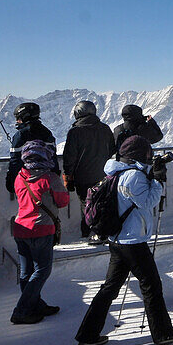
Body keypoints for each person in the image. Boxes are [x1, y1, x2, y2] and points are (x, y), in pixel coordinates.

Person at [74, 136, 173, 345]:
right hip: (132, 241)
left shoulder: (117, 171)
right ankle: (163, 333)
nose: (150, 156)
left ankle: (87, 334)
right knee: (151, 285)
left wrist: (149, 174)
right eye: (147, 153)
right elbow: (148, 201)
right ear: (139, 154)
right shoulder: (133, 176)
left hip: (118, 240)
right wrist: (156, 180)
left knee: (109, 288)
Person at [11, 140, 70, 324]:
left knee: (26, 271)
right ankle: (22, 310)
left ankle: (36, 304)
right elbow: (63, 202)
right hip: (41, 228)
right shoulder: (50, 178)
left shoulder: (20, 176)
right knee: (42, 270)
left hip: (21, 228)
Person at [62, 100, 115, 242]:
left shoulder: (75, 132)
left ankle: (88, 232)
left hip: (82, 177)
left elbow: (69, 157)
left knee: (87, 204)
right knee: (103, 203)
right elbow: (112, 151)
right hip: (104, 176)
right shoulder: (105, 129)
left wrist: (68, 177)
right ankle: (102, 231)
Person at [5, 102, 56, 194]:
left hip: (27, 181)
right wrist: (55, 175)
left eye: (18, 118)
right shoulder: (46, 132)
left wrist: (11, 182)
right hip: (47, 179)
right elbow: (53, 157)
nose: (17, 121)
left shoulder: (20, 135)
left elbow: (15, 160)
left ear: (24, 117)